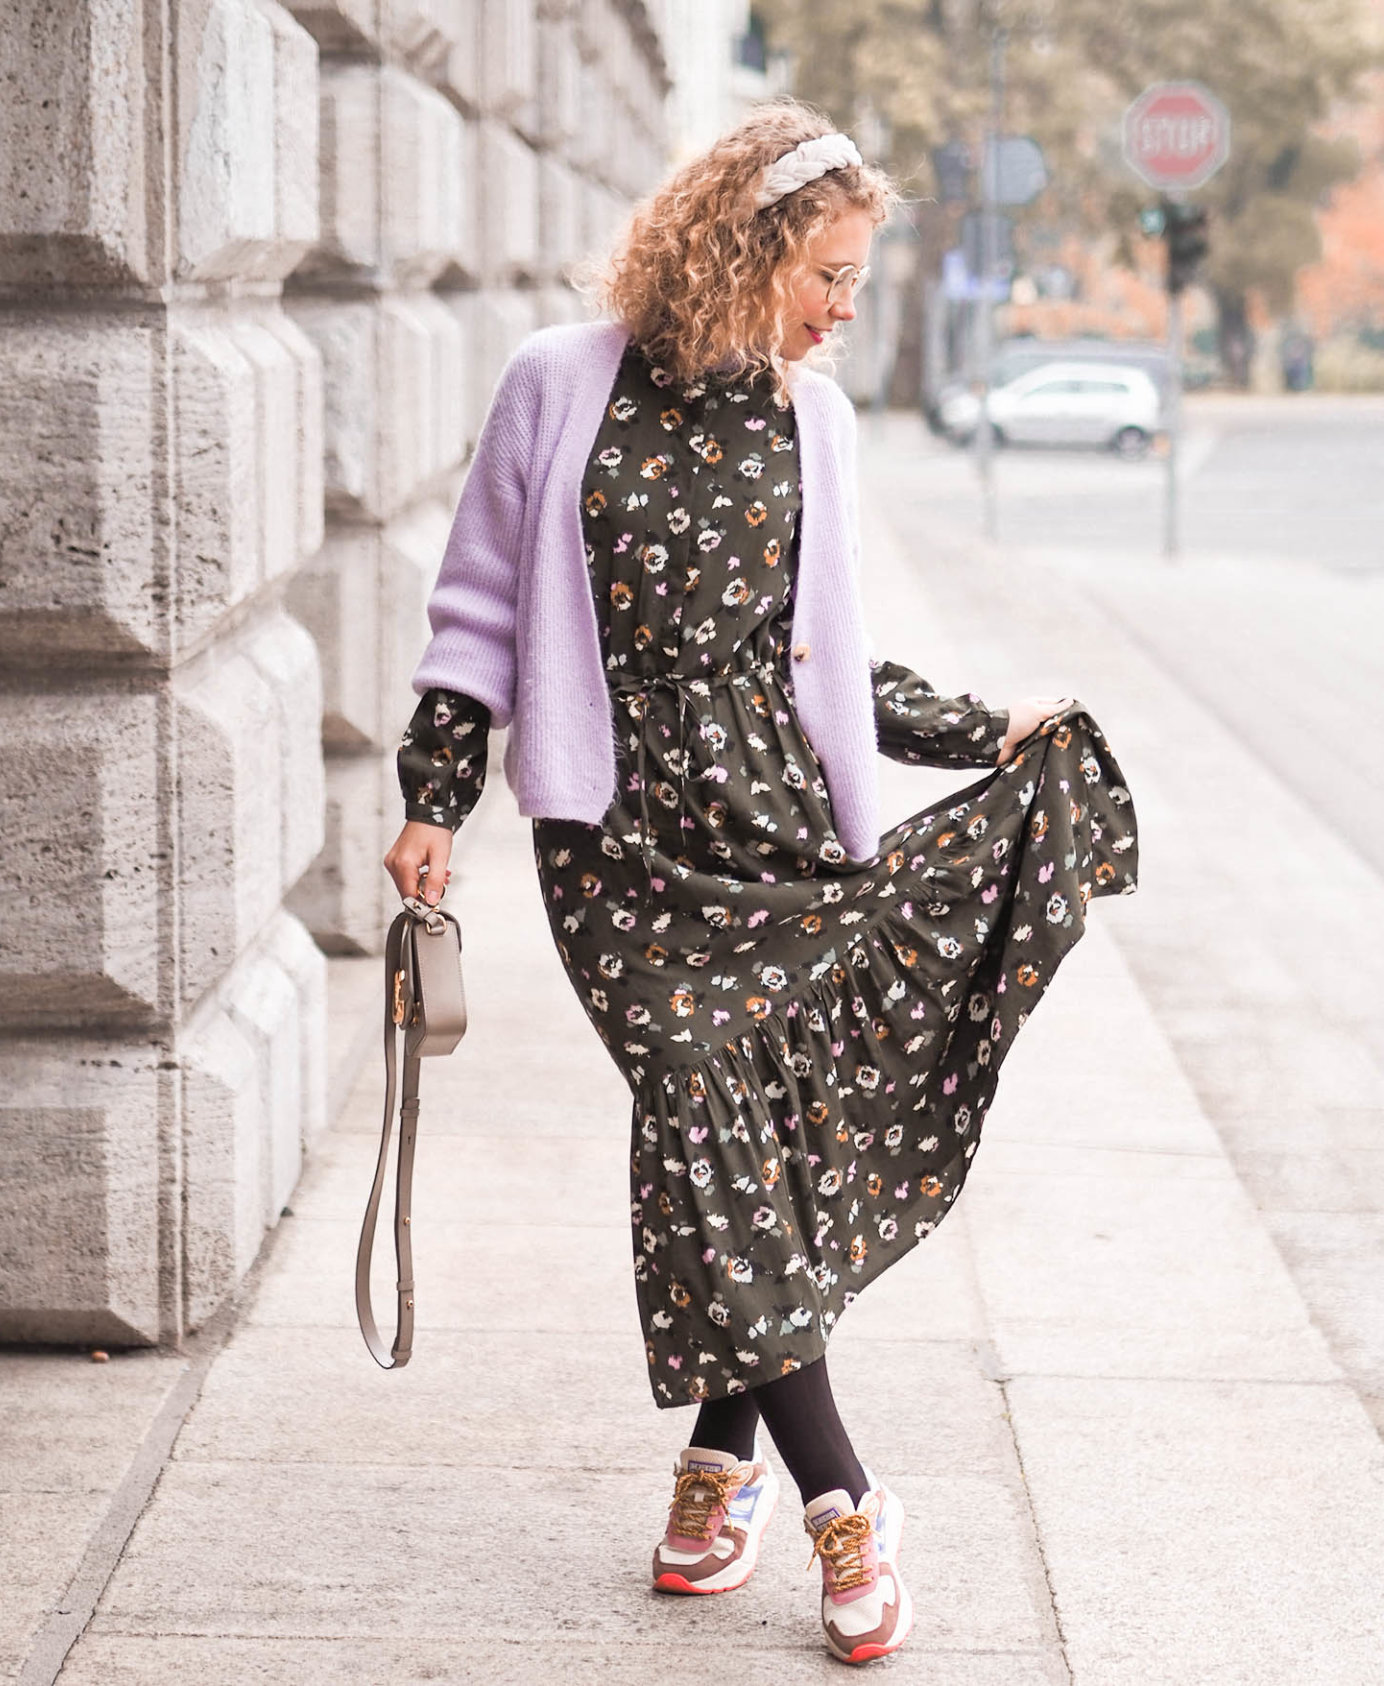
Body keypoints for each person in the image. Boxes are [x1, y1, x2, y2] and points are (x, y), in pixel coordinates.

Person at [384, 100, 1137, 1667]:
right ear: (746, 241)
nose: (847, 304)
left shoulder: (813, 422)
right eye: (832, 269)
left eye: (863, 277)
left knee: (757, 1155)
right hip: (617, 846)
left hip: (777, 825)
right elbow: (472, 612)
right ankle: (844, 1503)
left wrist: (980, 727)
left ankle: (718, 1470)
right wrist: (433, 796)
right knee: (705, 1118)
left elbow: (831, 666)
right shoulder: (556, 383)